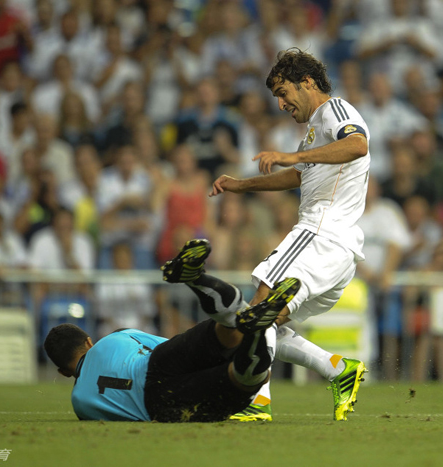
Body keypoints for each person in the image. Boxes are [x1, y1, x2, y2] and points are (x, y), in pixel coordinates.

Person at [210, 49, 368, 421]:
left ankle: (257, 402)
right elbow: (299, 176)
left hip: (321, 233)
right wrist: (242, 186)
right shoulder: (315, 132)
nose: (281, 104)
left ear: (308, 82)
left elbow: (358, 144)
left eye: (283, 93)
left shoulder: (336, 111)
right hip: (337, 248)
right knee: (266, 321)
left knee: (259, 308)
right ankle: (339, 370)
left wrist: (292, 156)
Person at [44, 239, 301, 422]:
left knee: (241, 379)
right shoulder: (113, 339)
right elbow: (171, 348)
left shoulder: (80, 403)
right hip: (157, 361)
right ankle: (196, 279)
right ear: (89, 342)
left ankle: (255, 336)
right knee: (227, 331)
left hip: (159, 406)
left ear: (63, 371)